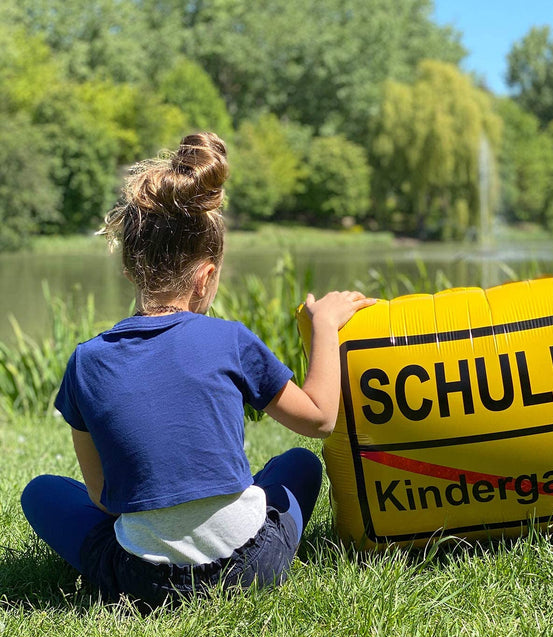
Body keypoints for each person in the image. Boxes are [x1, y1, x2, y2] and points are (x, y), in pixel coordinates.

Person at [20, 132, 374, 609]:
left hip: (141, 585)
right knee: (300, 465)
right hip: (252, 567)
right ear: (207, 275)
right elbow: (320, 419)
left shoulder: (86, 361)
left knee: (42, 493)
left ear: (128, 268)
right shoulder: (230, 339)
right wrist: (326, 326)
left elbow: (104, 499)